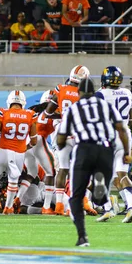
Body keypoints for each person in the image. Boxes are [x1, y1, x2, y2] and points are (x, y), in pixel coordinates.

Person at [57, 77, 132, 247]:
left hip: (84, 149)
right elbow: (121, 129)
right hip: (105, 150)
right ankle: (100, 192)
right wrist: (127, 152)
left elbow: (61, 137)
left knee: (76, 197)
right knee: (99, 198)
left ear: (79, 93)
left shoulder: (74, 108)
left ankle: (82, 236)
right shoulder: (106, 106)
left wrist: (63, 146)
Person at [0, 90, 37, 215]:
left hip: (3, 150)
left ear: (9, 102)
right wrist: (24, 148)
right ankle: (9, 207)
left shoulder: (3, 113)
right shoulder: (30, 115)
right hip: (19, 154)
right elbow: (34, 141)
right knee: (13, 180)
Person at [44, 65, 90, 215]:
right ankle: (82, 201)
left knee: (62, 169)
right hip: (78, 133)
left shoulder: (60, 89)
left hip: (62, 132)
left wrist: (63, 115)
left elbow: (48, 112)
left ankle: (58, 205)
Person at [95, 66, 132, 223]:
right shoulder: (127, 92)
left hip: (109, 137)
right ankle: (131, 206)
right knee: (122, 175)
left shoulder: (101, 94)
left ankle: (107, 208)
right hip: (125, 135)